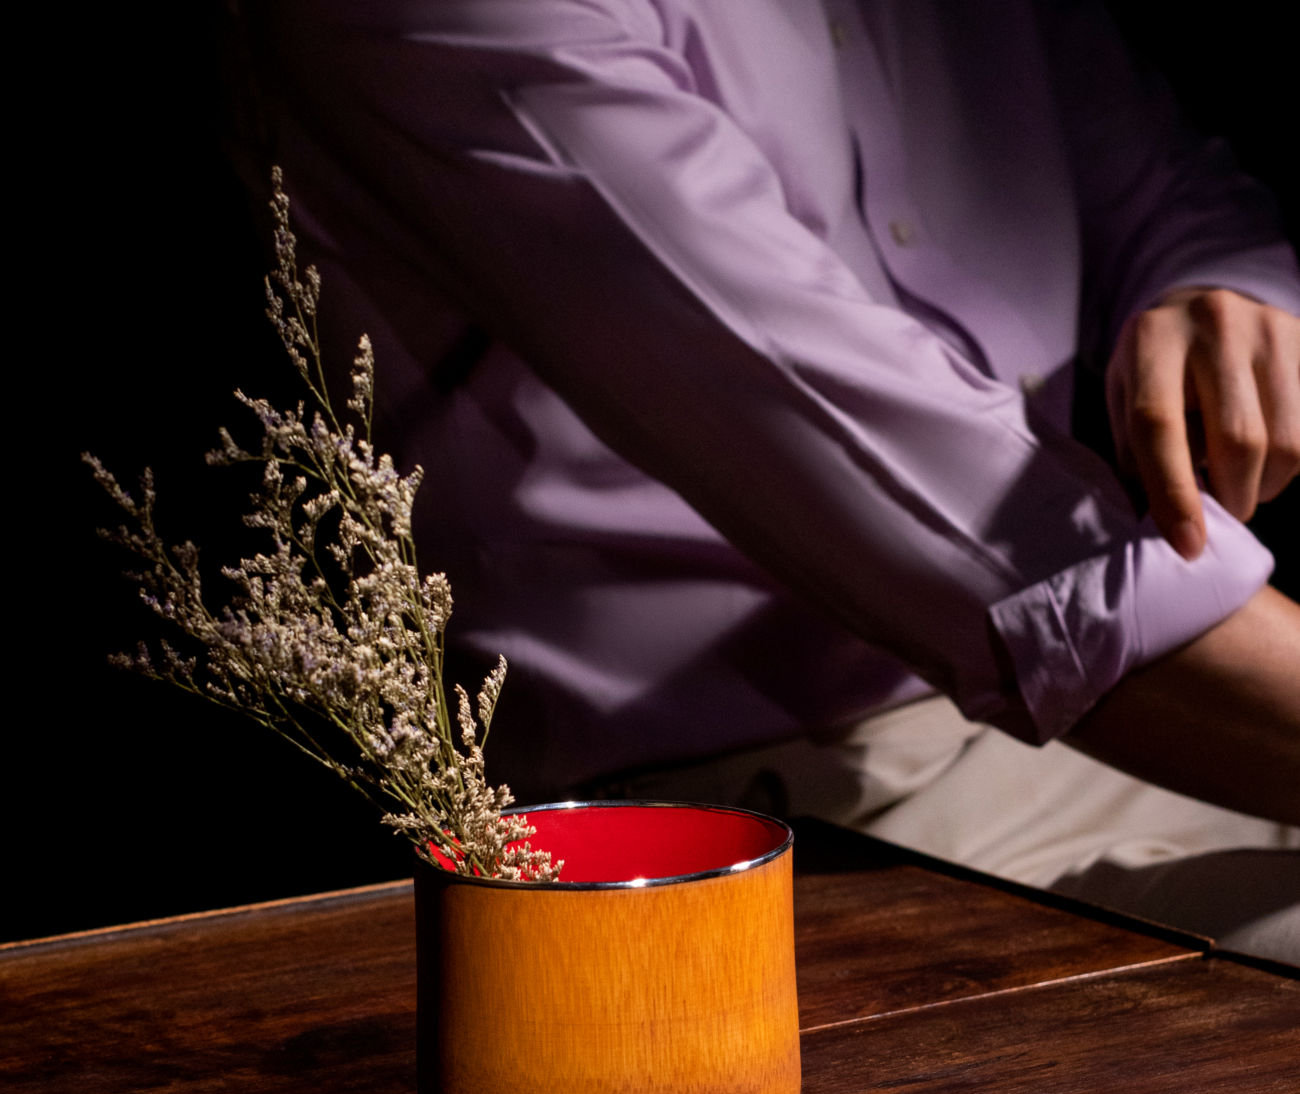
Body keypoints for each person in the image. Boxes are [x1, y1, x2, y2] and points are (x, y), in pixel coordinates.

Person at [228, 0, 1300, 957]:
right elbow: (988, 550)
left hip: (1107, 726)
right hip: (748, 827)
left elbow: (1160, 177)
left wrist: (1208, 271)